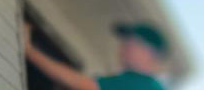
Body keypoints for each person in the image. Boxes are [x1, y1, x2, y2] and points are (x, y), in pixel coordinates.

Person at [23, 21, 170, 90]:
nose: (123, 48)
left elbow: (84, 85)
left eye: (130, 44)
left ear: (148, 52)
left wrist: (29, 51)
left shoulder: (138, 83)